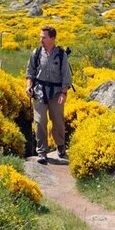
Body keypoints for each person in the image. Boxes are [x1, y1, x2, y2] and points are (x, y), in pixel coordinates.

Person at [25, 25, 72, 164]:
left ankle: (61, 146)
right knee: (40, 122)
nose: (41, 40)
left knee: (58, 122)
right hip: (39, 92)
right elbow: (30, 72)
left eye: (44, 37)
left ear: (52, 38)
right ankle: (42, 152)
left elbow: (66, 76)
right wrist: (29, 87)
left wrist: (64, 93)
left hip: (57, 93)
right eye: (40, 37)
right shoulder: (37, 52)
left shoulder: (61, 55)